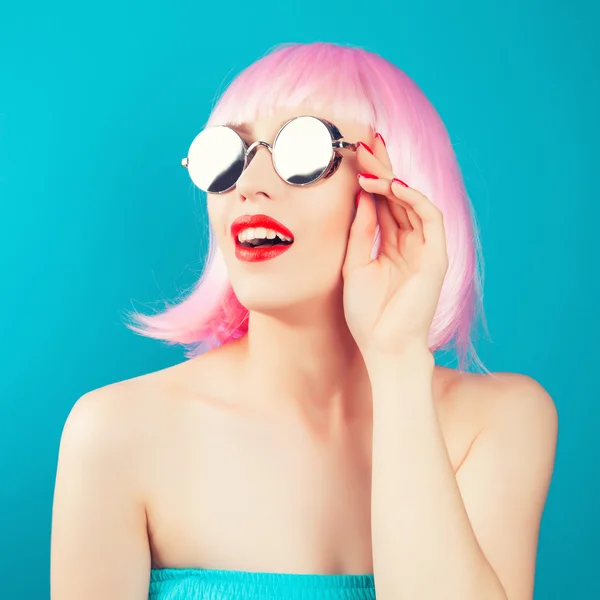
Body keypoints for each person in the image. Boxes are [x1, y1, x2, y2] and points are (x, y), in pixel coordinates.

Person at [50, 42, 558, 600]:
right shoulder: (114, 433)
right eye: (229, 155)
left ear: (396, 192)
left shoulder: (500, 421)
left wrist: (397, 363)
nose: (248, 185)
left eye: (302, 150)